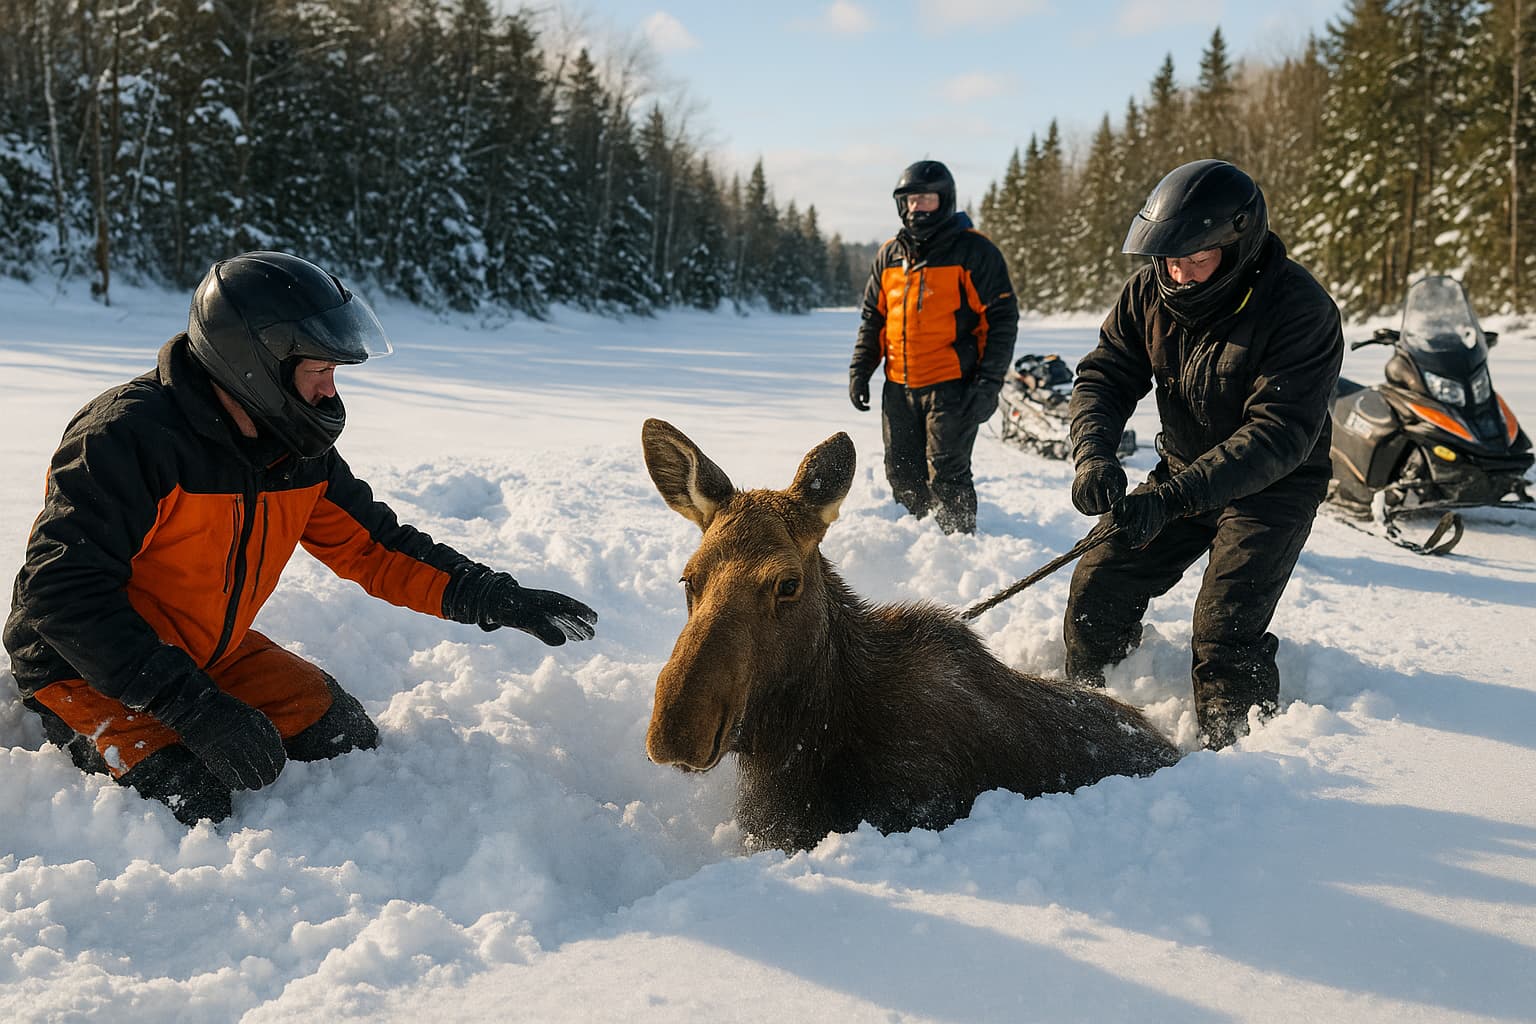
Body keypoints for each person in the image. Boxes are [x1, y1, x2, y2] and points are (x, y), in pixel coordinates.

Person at [4, 251, 598, 824]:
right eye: (319, 370)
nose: (330, 392)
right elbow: (61, 596)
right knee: (199, 797)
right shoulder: (128, 440)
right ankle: (57, 721)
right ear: (255, 362)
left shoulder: (293, 452)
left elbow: (377, 548)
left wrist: (494, 597)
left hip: (207, 654)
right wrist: (192, 706)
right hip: (85, 667)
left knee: (341, 733)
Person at [1063, 159, 1344, 750]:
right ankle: (1087, 710)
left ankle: (1240, 761)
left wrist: (1172, 498)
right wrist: (1092, 452)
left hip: (1273, 487)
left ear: (1237, 244)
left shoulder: (1300, 310)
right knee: (1099, 583)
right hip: (1185, 472)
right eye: (1169, 259)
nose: (1180, 276)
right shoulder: (1150, 292)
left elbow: (1279, 434)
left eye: (1196, 260)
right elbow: (1105, 377)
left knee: (1222, 633)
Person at [849, 159, 1019, 534]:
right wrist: (861, 370)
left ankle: (956, 545)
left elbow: (1001, 321)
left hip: (952, 385)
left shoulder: (974, 252)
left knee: (947, 472)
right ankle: (914, 545)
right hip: (898, 387)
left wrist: (989, 384)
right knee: (901, 471)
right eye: (909, 199)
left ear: (944, 200)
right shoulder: (889, 254)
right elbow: (873, 320)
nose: (916, 207)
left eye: (924, 199)